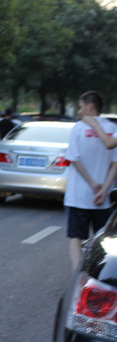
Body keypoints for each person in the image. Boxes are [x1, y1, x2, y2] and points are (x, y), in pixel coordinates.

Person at [64, 91, 117, 271]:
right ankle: (97, 276)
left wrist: (91, 182)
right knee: (102, 241)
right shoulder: (112, 128)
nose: (79, 111)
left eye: (80, 107)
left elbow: (75, 159)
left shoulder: (78, 128)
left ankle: (77, 276)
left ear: (89, 107)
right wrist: (104, 188)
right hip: (103, 199)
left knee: (75, 238)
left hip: (78, 195)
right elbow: (115, 164)